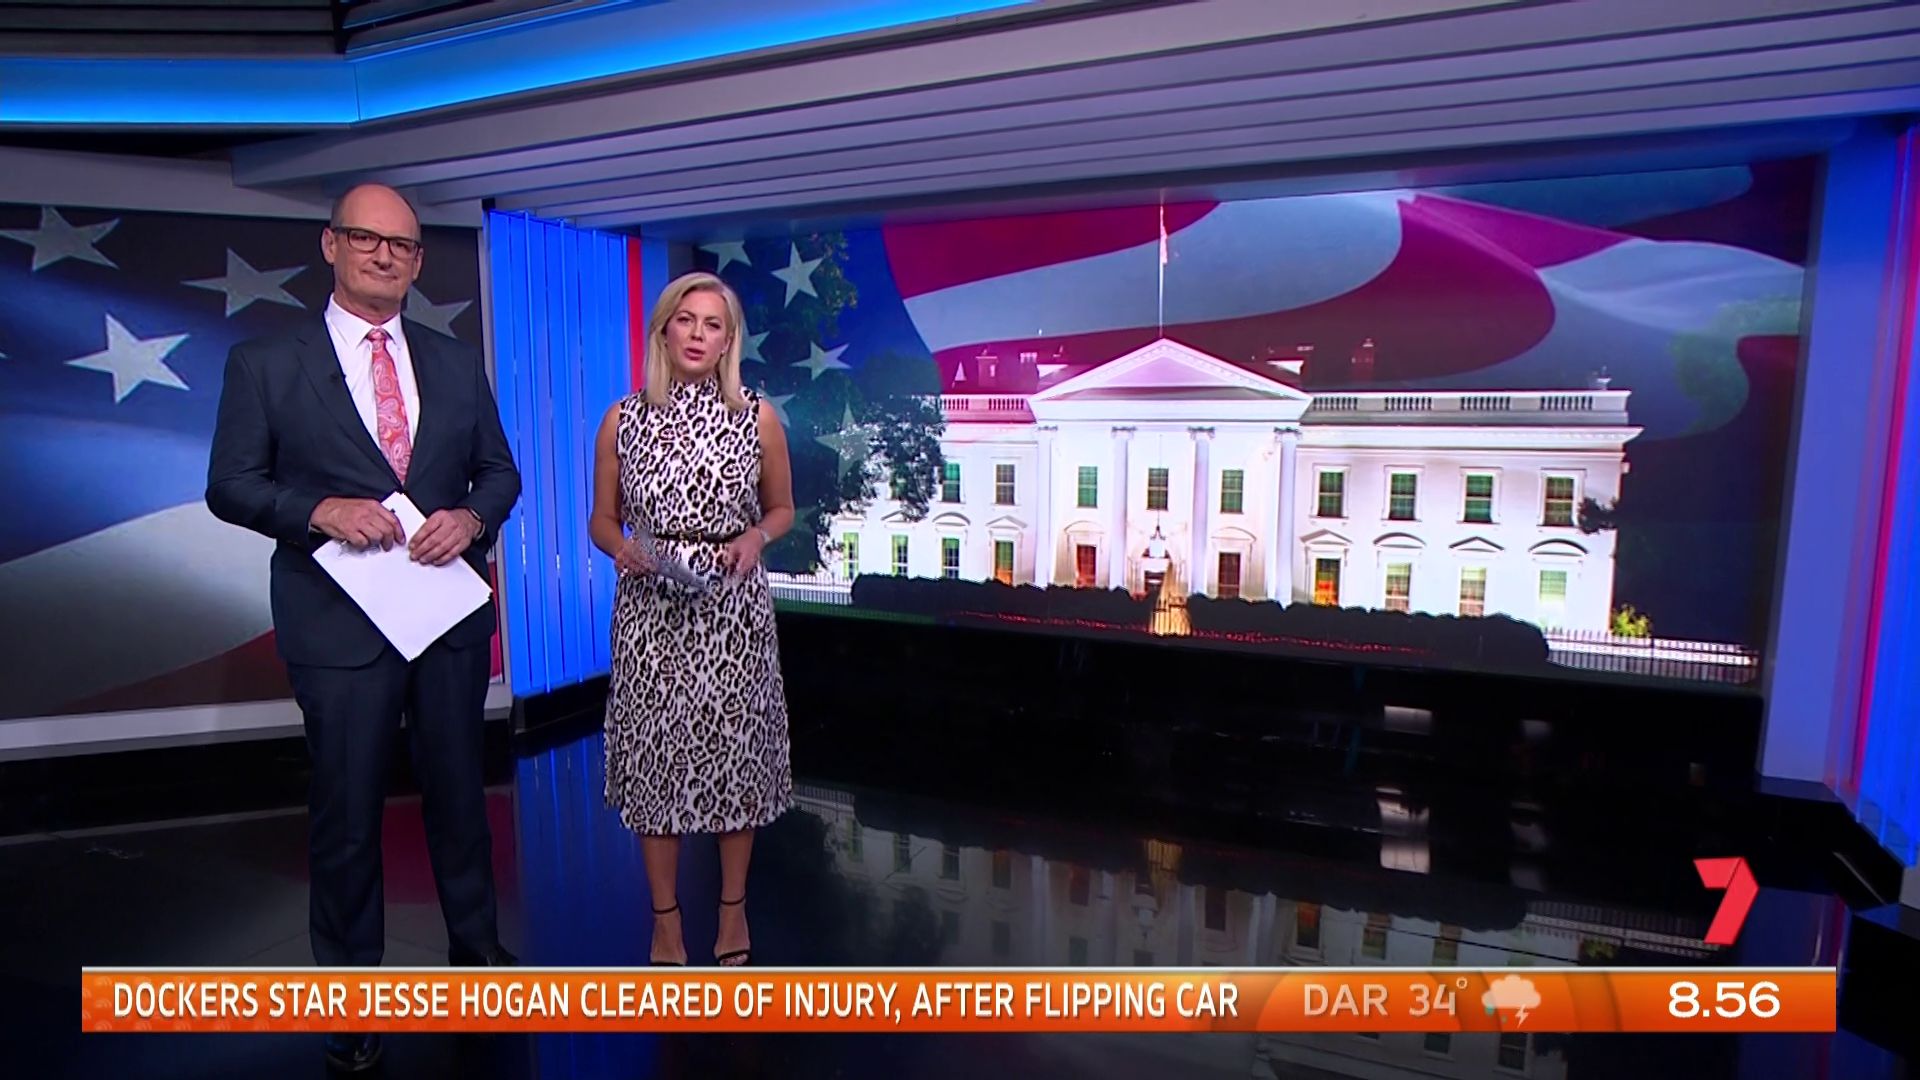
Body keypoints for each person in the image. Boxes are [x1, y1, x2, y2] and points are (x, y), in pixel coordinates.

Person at [206, 183, 520, 1073]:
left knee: (462, 800)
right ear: (331, 245)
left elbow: (499, 473)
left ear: (418, 262)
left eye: (403, 245)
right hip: (338, 625)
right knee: (346, 813)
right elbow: (231, 485)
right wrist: (320, 511)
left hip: (445, 619)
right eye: (367, 239)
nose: (385, 255)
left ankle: (478, 959)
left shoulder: (454, 361)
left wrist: (472, 518)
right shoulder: (266, 363)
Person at [589, 270, 796, 967]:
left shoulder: (757, 417)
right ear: (663, 331)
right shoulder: (622, 419)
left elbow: (782, 509)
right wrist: (623, 550)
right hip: (651, 614)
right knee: (657, 765)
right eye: (687, 320)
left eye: (714, 325)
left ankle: (733, 913)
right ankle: (666, 922)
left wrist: (754, 538)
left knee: (733, 759)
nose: (699, 335)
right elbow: (601, 520)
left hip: (732, 613)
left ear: (729, 340)